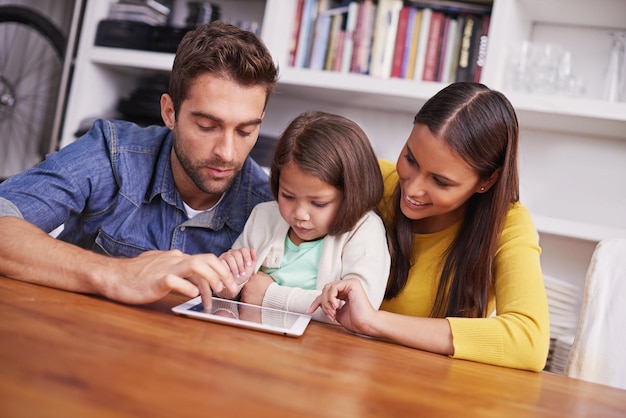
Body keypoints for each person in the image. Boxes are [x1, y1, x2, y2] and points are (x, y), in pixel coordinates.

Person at [0, 21, 279, 305]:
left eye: (245, 131)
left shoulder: (272, 209)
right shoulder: (111, 153)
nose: (228, 153)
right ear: (169, 113)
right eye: (207, 126)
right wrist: (118, 274)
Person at [310, 82, 550, 371]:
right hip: (335, 369)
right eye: (411, 158)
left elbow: (529, 343)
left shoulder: (507, 223)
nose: (412, 188)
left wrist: (374, 322)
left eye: (440, 181)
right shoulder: (372, 180)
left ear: (487, 180)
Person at [218, 111, 391, 323]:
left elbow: (358, 310)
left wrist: (269, 295)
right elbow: (229, 293)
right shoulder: (263, 216)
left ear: (351, 194)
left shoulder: (364, 229)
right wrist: (230, 280)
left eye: (319, 204)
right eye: (287, 196)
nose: (299, 214)